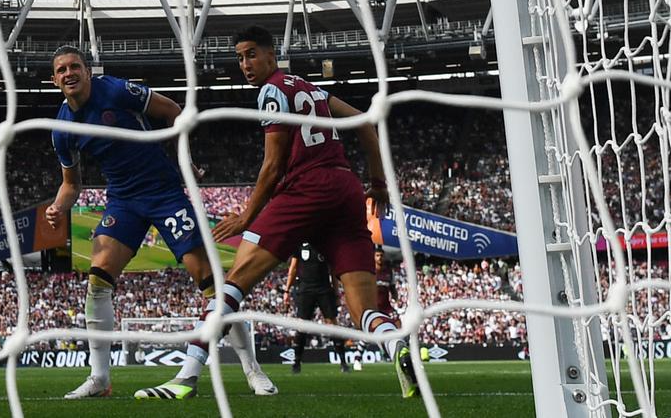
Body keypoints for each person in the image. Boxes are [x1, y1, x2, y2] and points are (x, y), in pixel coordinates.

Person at [136, 25, 418, 400]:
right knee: (363, 308)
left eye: (251, 54)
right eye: (239, 58)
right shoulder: (313, 90)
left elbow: (272, 166)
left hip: (306, 189)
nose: (245, 64)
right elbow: (367, 123)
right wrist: (378, 183)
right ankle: (394, 344)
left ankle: (186, 377)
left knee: (233, 282)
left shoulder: (272, 90)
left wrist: (248, 215)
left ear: (272, 55)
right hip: (345, 188)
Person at [43, 45, 275, 399]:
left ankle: (251, 369)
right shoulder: (61, 128)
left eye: (75, 66)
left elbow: (172, 111)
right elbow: (71, 185)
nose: (69, 73)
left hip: (164, 193)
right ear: (54, 79)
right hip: (123, 201)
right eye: (61, 70)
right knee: (98, 279)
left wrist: (186, 159)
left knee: (213, 284)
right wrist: (58, 207)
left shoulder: (117, 90)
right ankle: (100, 378)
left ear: (88, 71)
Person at [284, 243, 351, 374]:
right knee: (302, 326)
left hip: (324, 289)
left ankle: (343, 363)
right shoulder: (300, 245)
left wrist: (336, 293)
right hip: (305, 290)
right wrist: (287, 290)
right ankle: (296, 363)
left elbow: (332, 270)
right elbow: (293, 268)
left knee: (332, 324)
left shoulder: (324, 244)